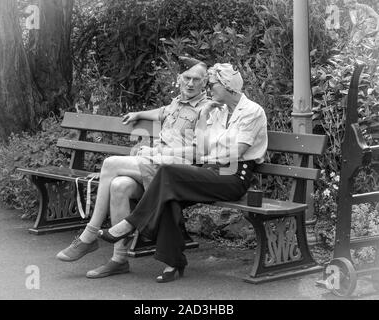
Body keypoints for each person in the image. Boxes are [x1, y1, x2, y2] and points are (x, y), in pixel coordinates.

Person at [98, 63, 268, 283]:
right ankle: (174, 262)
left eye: (213, 83)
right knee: (169, 194)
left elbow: (237, 152)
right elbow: (203, 147)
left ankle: (130, 223)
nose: (209, 87)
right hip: (210, 171)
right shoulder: (217, 111)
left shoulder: (252, 111)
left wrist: (206, 157)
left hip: (233, 177)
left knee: (167, 173)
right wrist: (204, 115)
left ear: (227, 85)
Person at [56, 57, 210, 278]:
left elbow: (199, 152)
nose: (191, 83)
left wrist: (156, 153)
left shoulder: (207, 110)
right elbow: (161, 112)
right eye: (187, 78)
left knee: (110, 164)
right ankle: (119, 260)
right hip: (155, 167)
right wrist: (139, 114)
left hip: (176, 173)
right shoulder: (177, 103)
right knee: (119, 186)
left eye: (197, 79)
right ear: (179, 78)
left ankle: (89, 235)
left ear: (205, 83)